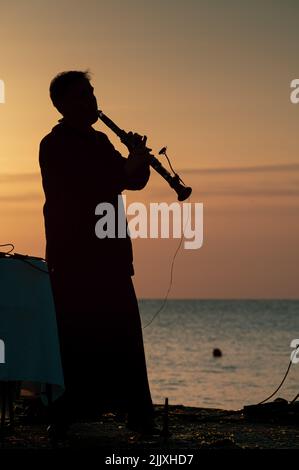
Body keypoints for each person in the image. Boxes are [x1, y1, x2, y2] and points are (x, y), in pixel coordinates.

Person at [39, 70, 155, 436]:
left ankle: (138, 416)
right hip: (75, 256)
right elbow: (92, 185)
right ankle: (66, 415)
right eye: (82, 96)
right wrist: (127, 167)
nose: (92, 101)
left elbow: (130, 181)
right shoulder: (54, 144)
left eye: (91, 93)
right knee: (78, 338)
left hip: (111, 255)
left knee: (124, 337)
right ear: (63, 105)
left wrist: (137, 158)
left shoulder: (101, 140)